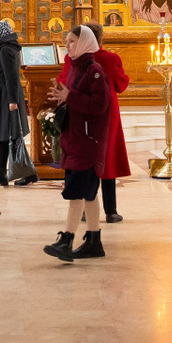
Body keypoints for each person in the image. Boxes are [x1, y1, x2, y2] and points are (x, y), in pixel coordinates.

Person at [44, 25, 112, 262]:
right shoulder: (75, 68)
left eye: (72, 41)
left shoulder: (94, 71)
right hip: (75, 140)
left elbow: (100, 105)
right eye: (66, 41)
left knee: (75, 193)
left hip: (87, 143)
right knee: (89, 194)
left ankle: (67, 240)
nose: (67, 45)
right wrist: (62, 97)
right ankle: (94, 241)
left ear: (84, 43)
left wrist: (69, 96)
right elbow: (73, 98)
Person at [81, 22, 132, 222]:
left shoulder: (75, 58)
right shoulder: (111, 59)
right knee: (107, 159)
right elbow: (121, 84)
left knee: (86, 161)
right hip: (107, 114)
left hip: (84, 113)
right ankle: (111, 212)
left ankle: (85, 210)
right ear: (100, 37)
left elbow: (65, 80)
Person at [0, 18, 32, 187]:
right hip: (2, 93)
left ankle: (14, 173)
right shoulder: (3, 48)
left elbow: (11, 76)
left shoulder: (5, 50)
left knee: (9, 134)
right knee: (6, 134)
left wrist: (12, 101)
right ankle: (4, 172)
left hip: (6, 95)